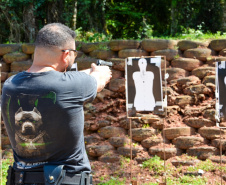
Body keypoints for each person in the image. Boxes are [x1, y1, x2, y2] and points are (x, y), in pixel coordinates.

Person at [1, 23, 112, 185]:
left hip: (21, 180)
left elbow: (52, 80)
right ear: (66, 55)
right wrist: (99, 71)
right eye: (74, 53)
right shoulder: (72, 85)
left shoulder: (11, 85)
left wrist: (85, 73)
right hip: (64, 180)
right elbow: (99, 80)